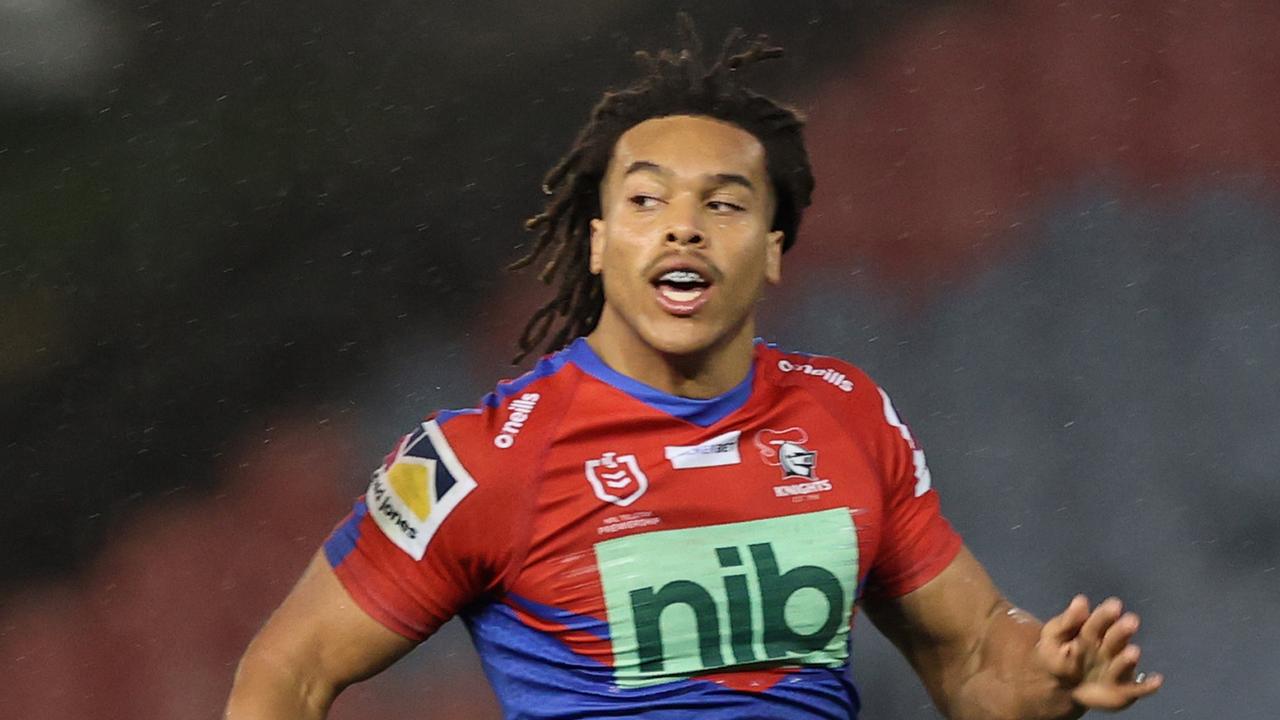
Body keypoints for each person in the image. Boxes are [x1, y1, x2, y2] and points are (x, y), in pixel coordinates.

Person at [226, 22, 1163, 720]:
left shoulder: (848, 416)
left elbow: (969, 664)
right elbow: (288, 672)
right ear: (598, 245)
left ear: (775, 249)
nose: (683, 225)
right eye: (646, 200)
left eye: (724, 203)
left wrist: (1044, 678)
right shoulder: (486, 458)